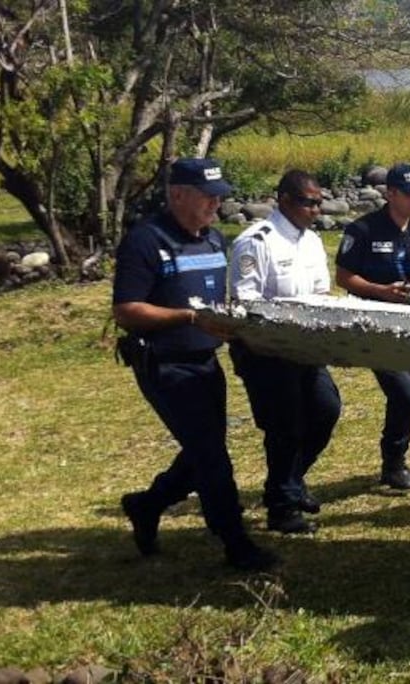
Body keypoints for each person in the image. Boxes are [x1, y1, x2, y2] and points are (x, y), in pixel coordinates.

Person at [112, 157, 277, 571]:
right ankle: (235, 542)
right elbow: (126, 310)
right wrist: (186, 318)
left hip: (206, 361)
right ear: (178, 194)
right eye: (207, 197)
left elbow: (214, 303)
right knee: (212, 456)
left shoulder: (214, 240)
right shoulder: (145, 241)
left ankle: (147, 504)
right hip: (165, 364)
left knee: (201, 452)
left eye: (219, 197)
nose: (214, 205)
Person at [229, 170, 342, 535]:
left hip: (306, 349)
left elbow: (320, 294)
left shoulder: (310, 241)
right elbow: (245, 303)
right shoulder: (256, 242)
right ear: (285, 200)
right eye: (309, 202)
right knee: (285, 427)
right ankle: (280, 507)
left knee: (326, 410)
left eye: (319, 202)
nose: (315, 209)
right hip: (267, 351)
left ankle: (290, 482)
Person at [335, 163, 410, 490]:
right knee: (402, 391)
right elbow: (343, 277)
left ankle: (396, 463)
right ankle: (392, 462)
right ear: (390, 194)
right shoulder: (362, 230)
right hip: (372, 326)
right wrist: (380, 291)